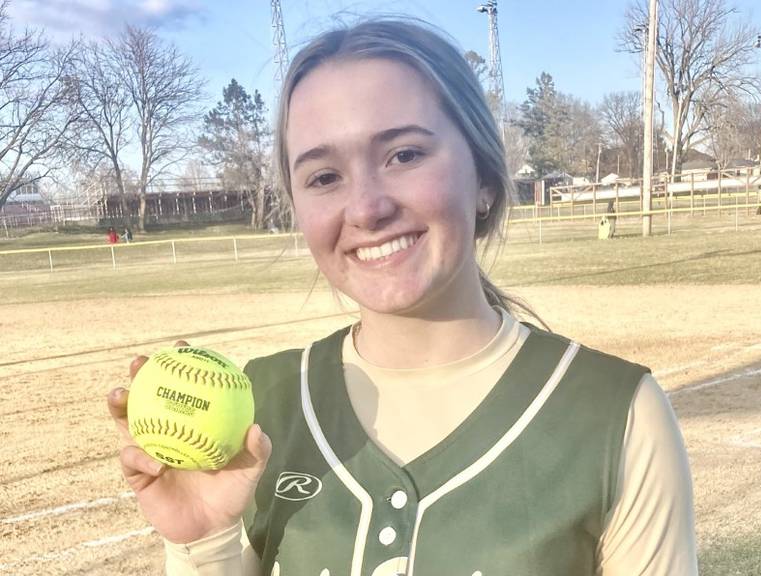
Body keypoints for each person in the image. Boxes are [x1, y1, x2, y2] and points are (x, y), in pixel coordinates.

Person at [107, 19, 698, 576]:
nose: (366, 207)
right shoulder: (259, 408)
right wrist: (203, 543)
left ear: (486, 179)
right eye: (323, 177)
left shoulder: (615, 414)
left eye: (404, 155)